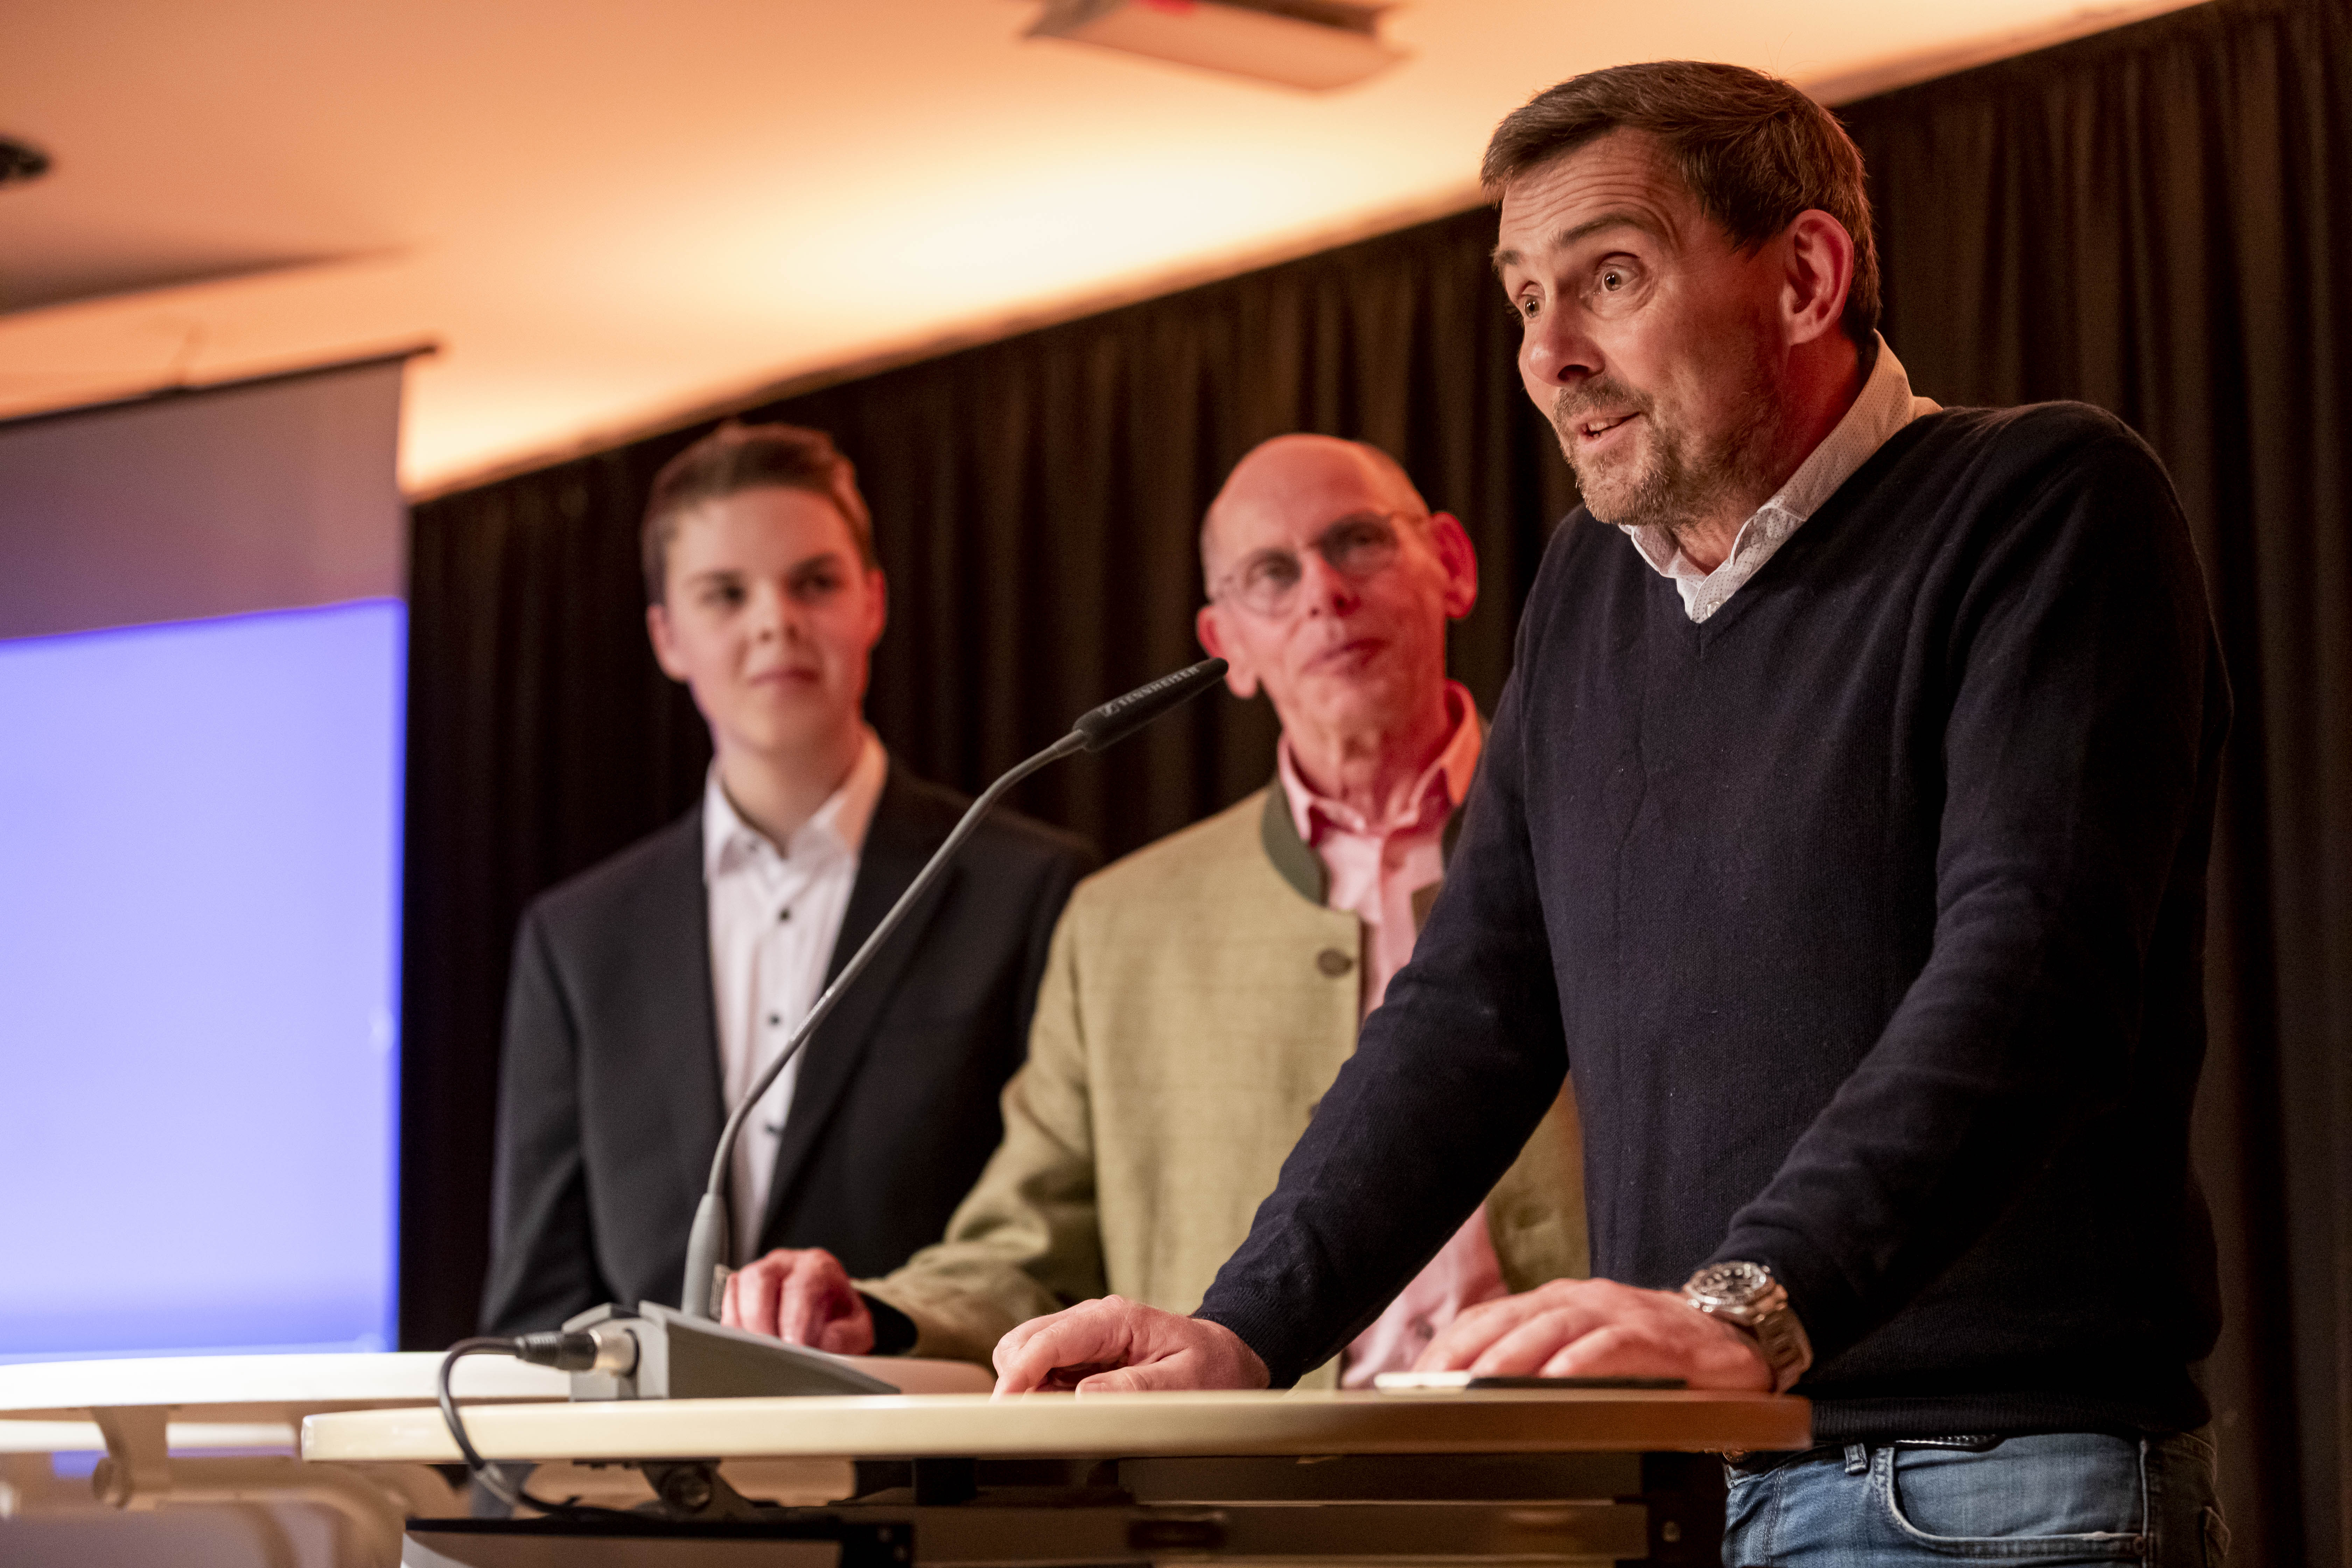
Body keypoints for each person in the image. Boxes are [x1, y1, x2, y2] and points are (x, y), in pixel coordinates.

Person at [989, 63, 2231, 1566]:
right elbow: (1470, 1011)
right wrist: (1244, 1330)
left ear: (1805, 280)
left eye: (1612, 278)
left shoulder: (2040, 501)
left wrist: (1755, 1309)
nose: (1550, 355)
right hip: (1686, 1482)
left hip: (1979, 1478)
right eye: (1525, 299)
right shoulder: (1589, 591)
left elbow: (2032, 977)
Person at [718, 434, 1587, 1386]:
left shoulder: (1600, 839)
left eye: (1359, 541)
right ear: (1226, 647)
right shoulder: (1118, 926)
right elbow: (1026, 1249)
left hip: (1577, 1442)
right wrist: (879, 1316)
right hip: (1249, 1467)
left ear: (1452, 565)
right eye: (1271, 574)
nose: (1325, 594)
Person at [479, 422, 1094, 1336]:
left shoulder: (1032, 891)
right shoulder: (579, 940)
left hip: (930, 1420)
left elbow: (1063, 1248)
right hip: (650, 1437)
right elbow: (537, 1310)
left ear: (873, 602)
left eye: (814, 583)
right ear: (667, 637)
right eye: (726, 594)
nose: (776, 621)